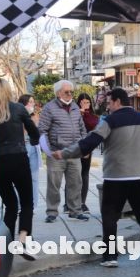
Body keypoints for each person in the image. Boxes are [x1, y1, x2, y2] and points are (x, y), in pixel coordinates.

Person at [53, 88, 140, 267]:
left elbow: (89, 142)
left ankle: (110, 257)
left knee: (110, 217)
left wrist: (65, 153)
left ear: (117, 101)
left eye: (109, 103)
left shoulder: (110, 121)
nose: (108, 107)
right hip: (139, 177)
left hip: (115, 178)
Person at [0, 79, 40, 261]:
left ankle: (6, 246)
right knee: (27, 202)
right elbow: (34, 132)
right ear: (8, 91)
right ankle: (22, 241)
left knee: (10, 204)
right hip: (18, 158)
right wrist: (34, 141)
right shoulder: (18, 108)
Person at [38, 80, 89, 223]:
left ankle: (75, 210)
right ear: (58, 93)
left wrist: (85, 147)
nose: (70, 94)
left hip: (75, 152)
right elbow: (42, 130)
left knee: (76, 183)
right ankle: (52, 212)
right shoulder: (49, 108)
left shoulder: (75, 107)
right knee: (54, 184)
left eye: (71, 92)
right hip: (57, 153)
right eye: (67, 92)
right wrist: (49, 151)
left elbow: (82, 129)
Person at [17, 94, 41, 212]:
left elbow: (37, 132)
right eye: (29, 102)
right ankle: (20, 205)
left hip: (33, 147)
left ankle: (33, 205)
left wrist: (32, 120)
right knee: (20, 178)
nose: (32, 104)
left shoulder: (35, 116)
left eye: (33, 102)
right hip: (22, 147)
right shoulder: (17, 115)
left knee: (34, 178)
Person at [78, 93, 99, 214]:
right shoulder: (74, 113)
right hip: (74, 147)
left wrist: (85, 113)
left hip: (86, 148)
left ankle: (82, 202)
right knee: (72, 175)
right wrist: (79, 113)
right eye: (83, 102)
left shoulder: (92, 116)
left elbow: (91, 124)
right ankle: (68, 203)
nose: (86, 104)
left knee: (84, 174)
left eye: (87, 102)